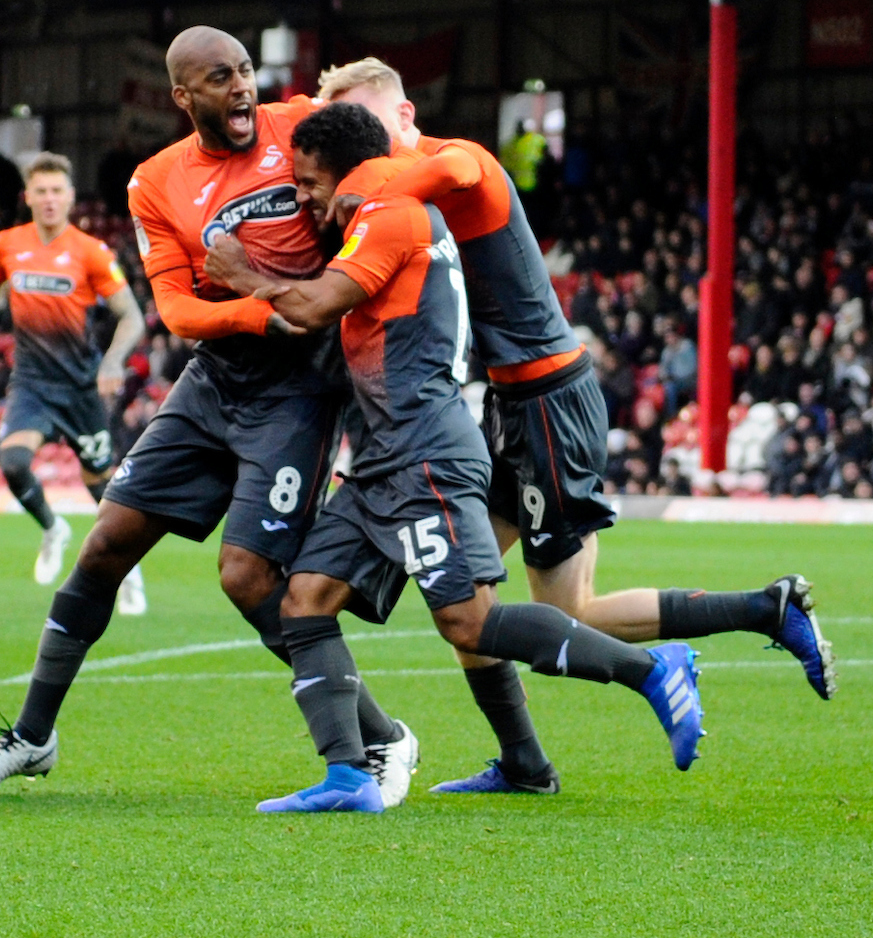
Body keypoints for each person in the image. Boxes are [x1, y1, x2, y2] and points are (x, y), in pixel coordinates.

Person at [319, 57, 832, 794]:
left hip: (548, 402)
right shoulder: (389, 202)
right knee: (467, 602)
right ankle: (526, 762)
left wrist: (364, 180)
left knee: (562, 609)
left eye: (372, 123)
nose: (363, 149)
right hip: (511, 407)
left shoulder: (451, 162)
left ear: (404, 117)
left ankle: (755, 613)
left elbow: (463, 167)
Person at [0, 29, 414, 802]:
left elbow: (379, 178)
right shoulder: (154, 182)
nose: (239, 88)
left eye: (243, 72)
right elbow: (175, 307)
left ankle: (381, 738)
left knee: (249, 575)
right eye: (219, 78)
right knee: (104, 546)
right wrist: (267, 315)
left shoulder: (300, 125)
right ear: (182, 96)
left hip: (298, 391)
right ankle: (31, 738)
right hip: (214, 382)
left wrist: (263, 288)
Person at [199, 104, 707, 811]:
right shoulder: (382, 215)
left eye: (310, 182)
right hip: (383, 459)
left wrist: (240, 273)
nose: (304, 198)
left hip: (425, 454)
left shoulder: (393, 214)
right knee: (305, 599)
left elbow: (313, 307)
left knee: (467, 621)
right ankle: (349, 775)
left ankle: (650, 669)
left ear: (346, 172)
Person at [0, 153, 147, 598]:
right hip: (31, 386)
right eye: (42, 191)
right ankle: (53, 529)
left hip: (80, 389)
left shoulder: (91, 252)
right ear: (28, 197)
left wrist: (112, 362)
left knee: (103, 491)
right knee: (13, 464)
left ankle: (127, 569)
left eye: (58, 191)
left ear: (71, 197)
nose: (50, 199)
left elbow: (131, 317)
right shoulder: (5, 245)